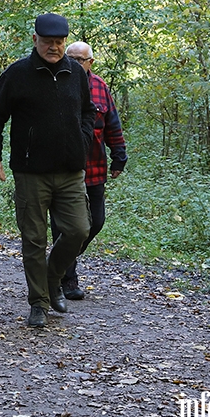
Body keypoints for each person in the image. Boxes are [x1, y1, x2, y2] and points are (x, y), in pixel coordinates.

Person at [0, 13, 94, 329]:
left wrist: (82, 140)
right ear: (35, 40)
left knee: (78, 230)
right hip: (31, 172)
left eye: (59, 42)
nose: (54, 48)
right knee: (34, 239)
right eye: (48, 42)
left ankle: (52, 277)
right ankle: (39, 303)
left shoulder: (75, 73)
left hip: (71, 171)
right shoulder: (18, 74)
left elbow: (88, 112)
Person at [49, 41, 127, 300]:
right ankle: (67, 277)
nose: (74, 62)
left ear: (90, 62)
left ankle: (58, 263)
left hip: (94, 168)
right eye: (70, 57)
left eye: (80, 59)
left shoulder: (100, 87)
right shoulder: (55, 81)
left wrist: (119, 157)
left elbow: (112, 125)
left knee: (96, 221)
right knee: (65, 226)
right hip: (61, 169)